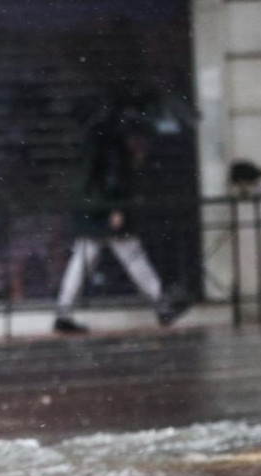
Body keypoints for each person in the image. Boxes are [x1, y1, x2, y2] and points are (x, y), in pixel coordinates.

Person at [53, 98, 188, 334]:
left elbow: (92, 177)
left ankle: (63, 313)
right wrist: (116, 208)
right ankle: (162, 306)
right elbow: (113, 179)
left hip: (91, 212)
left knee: (82, 261)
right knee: (133, 257)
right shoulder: (113, 144)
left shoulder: (93, 139)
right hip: (107, 212)